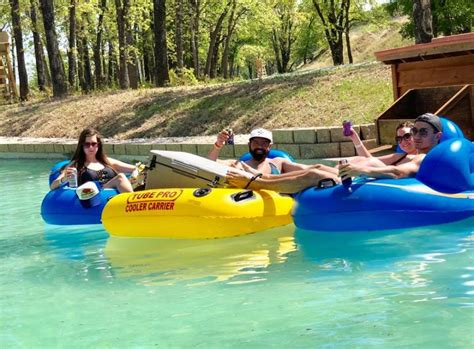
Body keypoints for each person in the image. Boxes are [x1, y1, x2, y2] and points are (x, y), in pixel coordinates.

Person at [227, 114, 443, 193]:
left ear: (438, 137)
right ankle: (261, 178)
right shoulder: (400, 154)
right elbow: (370, 159)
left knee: (315, 175)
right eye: (413, 131)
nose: (414, 137)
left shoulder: (423, 158)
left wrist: (361, 170)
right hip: (354, 175)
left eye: (422, 132)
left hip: (361, 180)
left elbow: (397, 174)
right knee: (318, 168)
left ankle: (257, 184)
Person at [50, 128, 138, 193]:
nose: (91, 147)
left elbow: (135, 168)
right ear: (81, 146)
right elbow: (53, 186)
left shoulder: (107, 161)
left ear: (98, 145)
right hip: (96, 196)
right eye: (87, 144)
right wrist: (64, 178)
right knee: (121, 178)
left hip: (115, 196)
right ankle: (132, 206)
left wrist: (134, 176)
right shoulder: (77, 164)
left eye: (94, 144)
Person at [208, 128, 308, 175]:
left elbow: (306, 169)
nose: (259, 146)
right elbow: (209, 164)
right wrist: (218, 145)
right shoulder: (238, 165)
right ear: (249, 145)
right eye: (256, 142)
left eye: (264, 143)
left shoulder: (279, 162)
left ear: (270, 146)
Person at [347, 121, 417, 168]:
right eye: (399, 138)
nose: (403, 141)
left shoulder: (421, 158)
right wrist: (355, 138)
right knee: (356, 160)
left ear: (416, 136)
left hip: (395, 185)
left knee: (371, 162)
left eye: (407, 137)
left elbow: (397, 173)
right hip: (386, 182)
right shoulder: (400, 156)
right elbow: (368, 159)